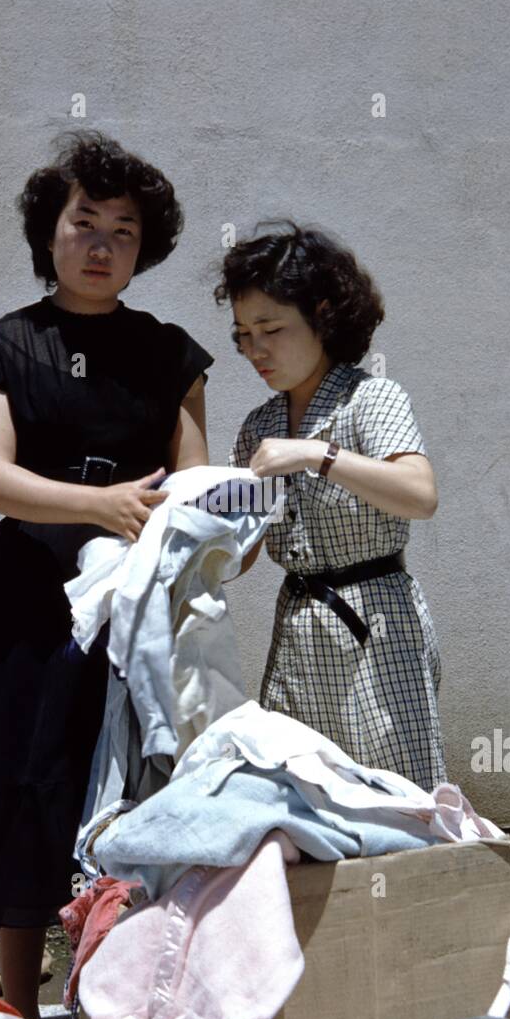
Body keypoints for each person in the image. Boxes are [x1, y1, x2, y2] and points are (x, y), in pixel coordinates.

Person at [0, 130, 213, 1019]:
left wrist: (157, 541)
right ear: (48, 233)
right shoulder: (5, 347)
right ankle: (22, 1010)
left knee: (133, 786)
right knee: (26, 787)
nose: (100, 246)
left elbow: (197, 485)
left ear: (147, 246)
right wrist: (97, 507)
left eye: (124, 231)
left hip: (133, 601)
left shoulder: (171, 353)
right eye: (83, 223)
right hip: (31, 601)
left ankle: (127, 1004)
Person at [217, 222, 445, 792]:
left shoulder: (372, 397)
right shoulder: (259, 427)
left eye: (270, 328)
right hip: (297, 627)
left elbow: (420, 494)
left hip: (376, 624)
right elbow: (236, 556)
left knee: (397, 791)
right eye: (243, 334)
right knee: (299, 792)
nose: (256, 349)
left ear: (322, 316)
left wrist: (318, 454)